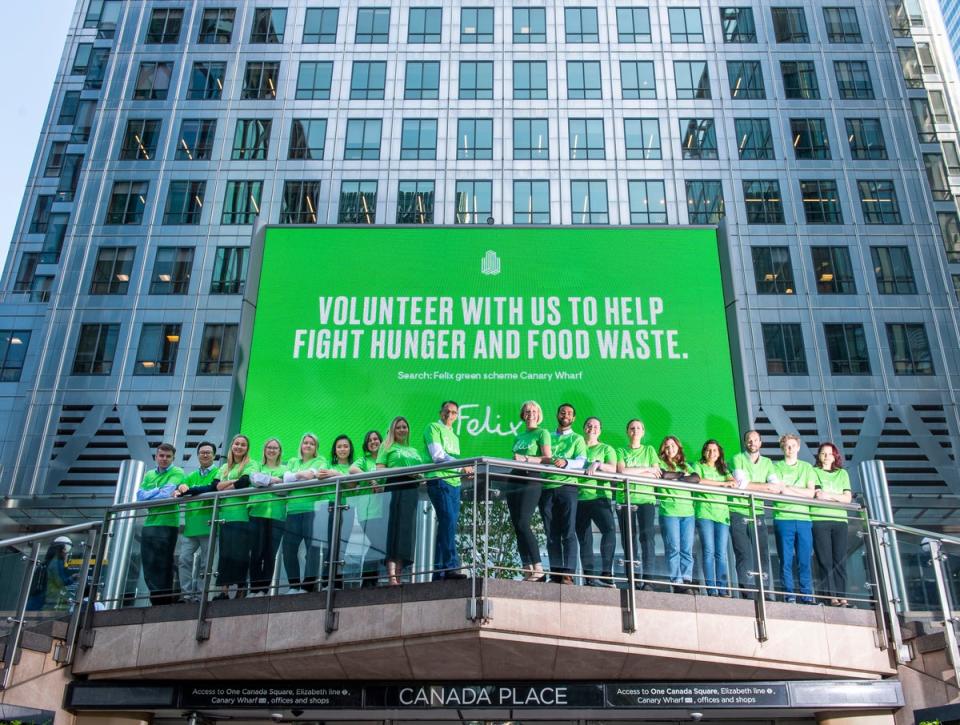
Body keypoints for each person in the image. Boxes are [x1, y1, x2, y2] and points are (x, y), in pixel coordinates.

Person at [280, 433, 335, 593]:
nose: (308, 445)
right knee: (288, 550)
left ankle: (308, 585)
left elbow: (312, 475)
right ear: (301, 445)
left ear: (316, 447)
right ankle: (294, 585)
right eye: (306, 443)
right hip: (292, 511)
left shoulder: (321, 461)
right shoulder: (292, 461)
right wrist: (299, 475)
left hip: (313, 511)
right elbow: (285, 478)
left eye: (312, 443)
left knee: (312, 549)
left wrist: (294, 477)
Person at [424, 401, 472, 581]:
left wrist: (463, 472)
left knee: (447, 525)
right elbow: (437, 456)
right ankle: (451, 566)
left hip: (454, 483)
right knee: (448, 521)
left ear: (457, 416)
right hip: (439, 480)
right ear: (440, 412)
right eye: (447, 411)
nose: (450, 415)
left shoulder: (455, 436)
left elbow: (453, 462)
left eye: (454, 413)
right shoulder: (433, 427)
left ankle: (439, 572)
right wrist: (462, 468)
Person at [729, 431, 780, 600]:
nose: (752, 442)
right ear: (745, 443)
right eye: (749, 440)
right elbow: (741, 484)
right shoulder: (737, 458)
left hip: (757, 512)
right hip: (738, 511)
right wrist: (763, 486)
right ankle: (748, 593)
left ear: (761, 442)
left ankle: (764, 592)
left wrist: (752, 486)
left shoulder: (767, 462)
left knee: (762, 553)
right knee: (744, 553)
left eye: (755, 440)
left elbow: (775, 487)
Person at [540, 403, 586, 584]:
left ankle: (568, 574)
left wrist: (566, 462)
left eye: (569, 413)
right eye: (562, 412)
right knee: (551, 533)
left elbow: (582, 461)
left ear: (573, 418)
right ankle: (555, 573)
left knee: (568, 531)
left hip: (568, 487)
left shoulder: (577, 438)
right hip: (546, 488)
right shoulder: (547, 437)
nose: (565, 415)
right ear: (557, 415)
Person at [136, 442, 185, 605]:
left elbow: (167, 494)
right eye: (161, 456)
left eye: (168, 456)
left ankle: (163, 601)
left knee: (163, 562)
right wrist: (158, 491)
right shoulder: (150, 474)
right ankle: (155, 599)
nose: (164, 459)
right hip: (150, 524)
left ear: (173, 458)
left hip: (167, 523)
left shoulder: (178, 472)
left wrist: (154, 493)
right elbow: (140, 496)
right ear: (156, 457)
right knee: (149, 562)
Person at [616, 419, 662, 589]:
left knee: (647, 539)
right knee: (629, 540)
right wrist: (646, 469)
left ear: (643, 432)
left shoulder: (649, 450)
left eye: (638, 428)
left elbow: (655, 474)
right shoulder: (620, 450)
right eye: (631, 428)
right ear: (627, 432)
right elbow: (622, 471)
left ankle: (648, 579)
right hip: (625, 500)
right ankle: (633, 578)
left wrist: (645, 471)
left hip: (646, 500)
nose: (635, 430)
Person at [377, 416, 423, 585]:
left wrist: (418, 476)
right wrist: (402, 470)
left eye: (405, 427)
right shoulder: (387, 446)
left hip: (411, 490)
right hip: (395, 488)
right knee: (393, 530)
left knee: (406, 531)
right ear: (393, 430)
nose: (402, 430)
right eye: (399, 427)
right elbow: (380, 470)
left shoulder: (414, 450)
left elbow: (422, 471)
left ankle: (399, 573)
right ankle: (391, 577)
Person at [772, 433, 818, 604]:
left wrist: (788, 489)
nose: (790, 448)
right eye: (786, 445)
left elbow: (811, 493)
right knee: (785, 559)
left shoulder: (807, 468)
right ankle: (789, 595)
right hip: (783, 517)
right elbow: (778, 490)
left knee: (804, 559)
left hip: (804, 519)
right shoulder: (775, 468)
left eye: (792, 445)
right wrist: (798, 491)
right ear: (782, 448)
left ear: (798, 447)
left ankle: (807, 595)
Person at [509, 400, 552, 581]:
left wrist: (526, 459)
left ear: (539, 414)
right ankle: (527, 569)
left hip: (531, 477)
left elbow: (547, 458)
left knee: (524, 522)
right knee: (517, 525)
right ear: (522, 415)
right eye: (527, 411)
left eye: (534, 411)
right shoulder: (518, 436)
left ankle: (539, 568)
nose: (530, 414)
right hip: (514, 479)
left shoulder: (542, 433)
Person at [691, 440, 737, 597]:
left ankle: (723, 589)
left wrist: (725, 484)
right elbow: (699, 481)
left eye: (715, 450)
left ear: (719, 452)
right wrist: (722, 485)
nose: (712, 453)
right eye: (709, 450)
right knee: (709, 551)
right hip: (705, 513)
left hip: (722, 514)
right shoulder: (698, 465)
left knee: (721, 553)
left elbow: (733, 483)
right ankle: (712, 589)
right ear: (704, 452)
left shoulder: (723, 468)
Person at [811, 442, 853, 606]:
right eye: (823, 453)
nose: (826, 456)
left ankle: (843, 596)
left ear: (835, 455)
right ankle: (831, 597)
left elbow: (847, 499)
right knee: (825, 560)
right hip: (820, 519)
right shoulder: (814, 472)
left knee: (840, 560)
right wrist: (836, 496)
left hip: (840, 521)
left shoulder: (842, 473)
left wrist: (828, 495)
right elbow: (818, 495)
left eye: (829, 453)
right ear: (819, 456)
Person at [577, 417, 617, 587]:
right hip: (579, 497)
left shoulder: (606, 448)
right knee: (585, 539)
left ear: (600, 430)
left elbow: (613, 468)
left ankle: (606, 572)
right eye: (589, 426)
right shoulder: (578, 445)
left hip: (600, 497)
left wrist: (598, 463)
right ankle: (589, 577)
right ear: (584, 428)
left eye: (595, 426)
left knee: (609, 530)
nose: (592, 428)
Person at [177, 441, 219, 603]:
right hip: (191, 526)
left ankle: (202, 596)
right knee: (184, 560)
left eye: (208, 452)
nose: (205, 455)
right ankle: (186, 595)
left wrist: (190, 490)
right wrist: (181, 487)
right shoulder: (192, 475)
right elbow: (182, 485)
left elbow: (212, 488)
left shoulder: (217, 472)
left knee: (205, 564)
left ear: (214, 455)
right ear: (198, 455)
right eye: (202, 452)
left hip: (209, 525)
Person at [657, 436, 699, 594]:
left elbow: (695, 478)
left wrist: (678, 475)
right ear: (663, 450)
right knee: (673, 547)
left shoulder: (686, 465)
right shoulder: (660, 463)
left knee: (686, 548)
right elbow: (664, 475)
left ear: (678, 447)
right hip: (670, 511)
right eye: (666, 447)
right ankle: (676, 580)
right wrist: (682, 477)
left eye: (672, 446)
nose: (670, 449)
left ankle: (686, 578)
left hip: (688, 512)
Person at [247, 438, 287, 596]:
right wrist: (275, 482)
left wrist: (265, 482)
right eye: (269, 447)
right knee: (256, 552)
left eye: (275, 448)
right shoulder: (256, 465)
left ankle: (264, 589)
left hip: (277, 516)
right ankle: (254, 589)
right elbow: (254, 480)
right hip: (256, 513)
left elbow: (284, 490)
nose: (271, 450)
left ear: (279, 451)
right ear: (264, 450)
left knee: (270, 554)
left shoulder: (285, 468)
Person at [350, 430, 387, 587]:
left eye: (376, 439)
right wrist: (372, 481)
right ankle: (368, 581)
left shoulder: (385, 460)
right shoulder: (363, 460)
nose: (373, 442)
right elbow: (352, 470)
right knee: (373, 543)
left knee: (378, 544)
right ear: (367, 444)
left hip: (384, 508)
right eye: (370, 440)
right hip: (367, 508)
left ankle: (372, 580)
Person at [323, 434, 359, 589]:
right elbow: (319, 475)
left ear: (350, 449)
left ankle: (338, 581)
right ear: (334, 450)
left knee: (342, 544)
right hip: (329, 507)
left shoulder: (353, 467)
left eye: (345, 446)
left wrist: (336, 475)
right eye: (339, 446)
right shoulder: (327, 464)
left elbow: (351, 485)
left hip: (348, 507)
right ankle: (326, 581)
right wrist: (334, 474)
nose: (342, 449)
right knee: (328, 544)